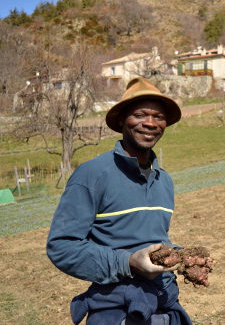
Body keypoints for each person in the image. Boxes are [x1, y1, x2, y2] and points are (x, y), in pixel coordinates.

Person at [46, 77, 196, 325]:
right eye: (140, 114)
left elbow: (152, 242)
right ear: (121, 121)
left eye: (158, 117)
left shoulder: (164, 181)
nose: (150, 123)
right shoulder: (92, 174)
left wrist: (183, 257)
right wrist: (128, 263)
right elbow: (62, 247)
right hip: (117, 311)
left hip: (164, 304)